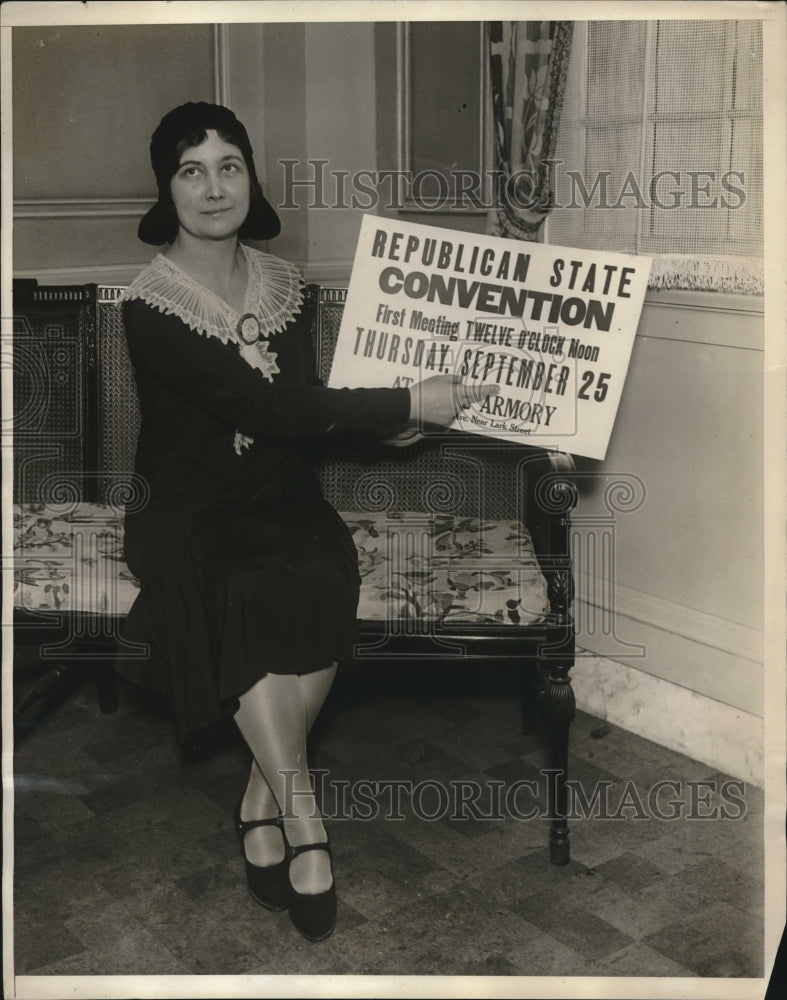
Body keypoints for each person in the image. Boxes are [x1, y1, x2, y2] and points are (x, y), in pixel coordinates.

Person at [117, 102, 497, 943]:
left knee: (324, 573)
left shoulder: (288, 287)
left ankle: (260, 796)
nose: (213, 188)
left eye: (229, 166)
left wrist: (389, 425)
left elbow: (302, 405)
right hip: (187, 513)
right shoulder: (148, 304)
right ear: (165, 187)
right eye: (191, 170)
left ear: (252, 177)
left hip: (284, 499)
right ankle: (306, 823)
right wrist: (400, 399)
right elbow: (255, 402)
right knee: (245, 588)